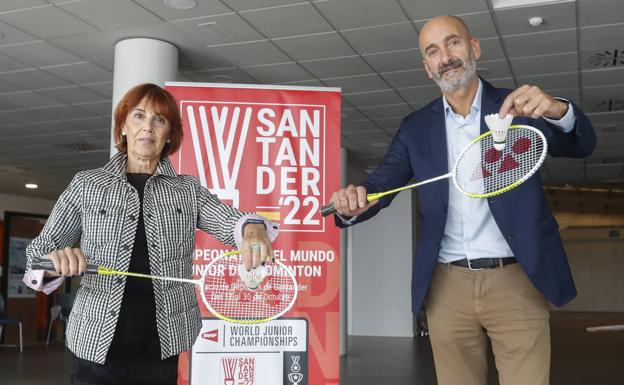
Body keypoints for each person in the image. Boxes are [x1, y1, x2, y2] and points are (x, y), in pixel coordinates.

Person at [329, 15, 596, 385]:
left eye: (453, 43)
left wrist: (557, 110)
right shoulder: (415, 128)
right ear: (427, 67)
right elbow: (378, 187)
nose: (446, 57)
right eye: (433, 51)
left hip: (516, 278)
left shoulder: (517, 106)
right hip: (446, 286)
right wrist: (351, 202)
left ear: (474, 47)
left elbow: (581, 144)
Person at [23, 83, 278, 385]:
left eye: (159, 119)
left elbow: (229, 221)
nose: (148, 127)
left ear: (169, 134)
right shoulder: (86, 185)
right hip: (94, 345)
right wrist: (56, 261)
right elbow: (37, 254)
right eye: (139, 116)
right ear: (123, 128)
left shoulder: (188, 190)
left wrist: (253, 228)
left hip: (162, 346)